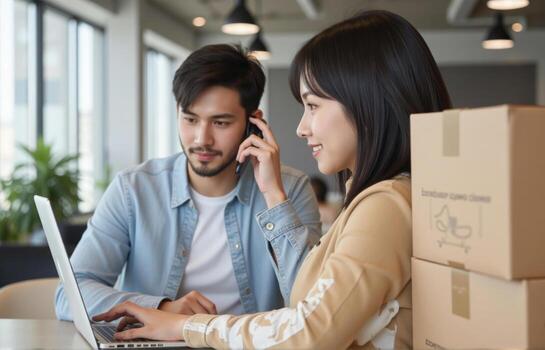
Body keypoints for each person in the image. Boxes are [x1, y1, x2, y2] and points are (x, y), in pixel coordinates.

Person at [93, 10, 452, 349]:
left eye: (312, 106)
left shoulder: (385, 205)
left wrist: (185, 326)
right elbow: (313, 304)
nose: (301, 128)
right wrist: (166, 310)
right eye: (189, 119)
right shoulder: (375, 200)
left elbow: (308, 328)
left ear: (366, 102)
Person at [55, 44, 322, 320]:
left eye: (220, 123)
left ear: (253, 122)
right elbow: (69, 295)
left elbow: (313, 304)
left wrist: (273, 196)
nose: (201, 139)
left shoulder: (290, 189)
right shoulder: (133, 190)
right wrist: (163, 308)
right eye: (190, 119)